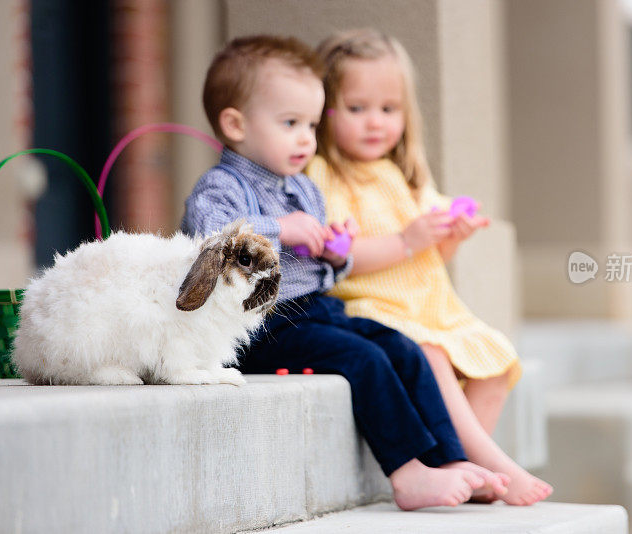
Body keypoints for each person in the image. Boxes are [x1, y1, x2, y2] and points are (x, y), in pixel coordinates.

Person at [181, 34, 508, 511]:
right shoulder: (220, 187)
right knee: (362, 358)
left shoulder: (302, 189)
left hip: (313, 310)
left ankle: (448, 460)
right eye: (290, 123)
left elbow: (325, 268)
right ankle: (406, 473)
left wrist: (336, 253)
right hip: (256, 325)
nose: (305, 139)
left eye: (311, 125)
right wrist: (280, 229)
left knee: (403, 348)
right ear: (235, 124)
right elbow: (211, 241)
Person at [306, 29, 553, 506]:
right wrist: (404, 240)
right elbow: (340, 255)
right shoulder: (325, 174)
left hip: (430, 306)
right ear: (327, 111)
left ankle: (462, 469)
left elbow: (428, 250)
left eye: (388, 110)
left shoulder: (400, 173)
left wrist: (451, 235)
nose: (375, 123)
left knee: (496, 361)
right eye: (357, 109)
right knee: (433, 354)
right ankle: (490, 463)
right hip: (373, 307)